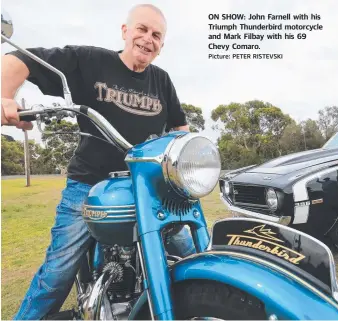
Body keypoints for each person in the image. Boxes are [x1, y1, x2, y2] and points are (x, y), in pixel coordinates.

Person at [1, 4, 196, 319]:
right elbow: (20, 59)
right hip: (89, 184)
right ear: (125, 31)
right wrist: (4, 96)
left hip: (146, 187)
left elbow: (180, 130)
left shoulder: (161, 80)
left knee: (193, 252)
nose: (148, 39)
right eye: (142, 30)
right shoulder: (90, 61)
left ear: (161, 45)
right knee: (57, 274)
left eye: (157, 35)